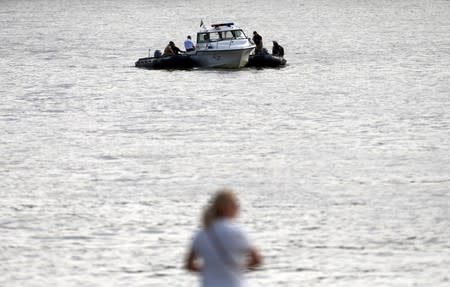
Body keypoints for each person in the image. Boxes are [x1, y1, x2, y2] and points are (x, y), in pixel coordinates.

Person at [185, 189, 262, 287]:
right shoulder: (238, 233)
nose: (238, 207)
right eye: (235, 204)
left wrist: (210, 271)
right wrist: (237, 267)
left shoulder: (201, 234)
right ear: (227, 207)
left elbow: (189, 265)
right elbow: (257, 260)